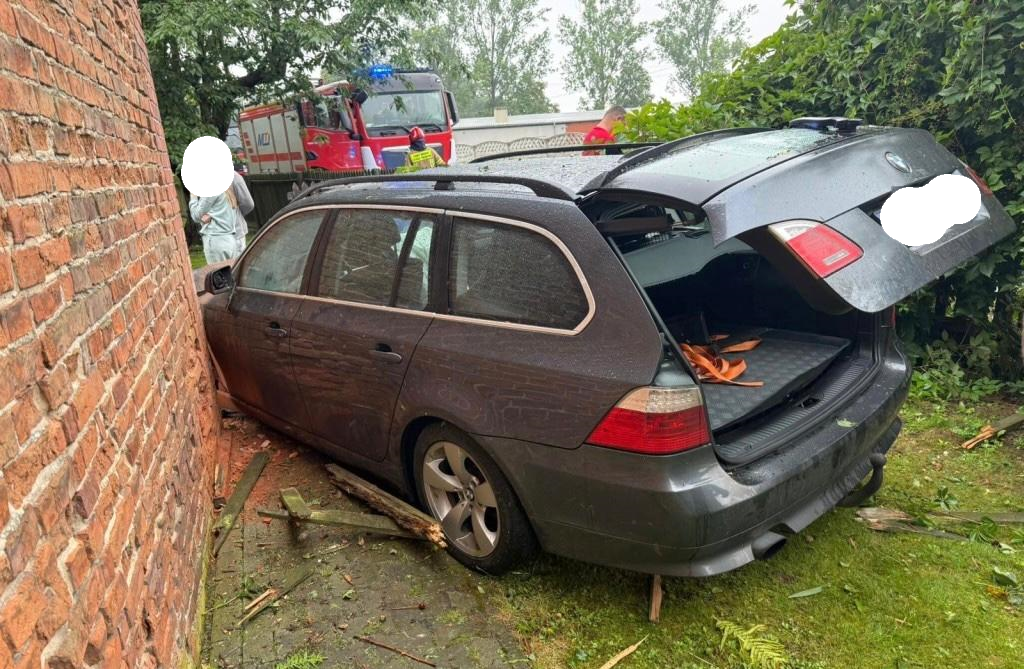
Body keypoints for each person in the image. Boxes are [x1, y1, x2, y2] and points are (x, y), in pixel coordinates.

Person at [189, 187, 239, 264]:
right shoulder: (227, 189)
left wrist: (193, 196)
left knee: (218, 272)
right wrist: (211, 215)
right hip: (230, 241)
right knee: (232, 271)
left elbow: (196, 216)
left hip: (216, 241)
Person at [231, 169, 255, 255]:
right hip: (235, 233)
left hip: (216, 237)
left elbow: (248, 204)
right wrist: (236, 215)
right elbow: (248, 204)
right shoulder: (233, 176)